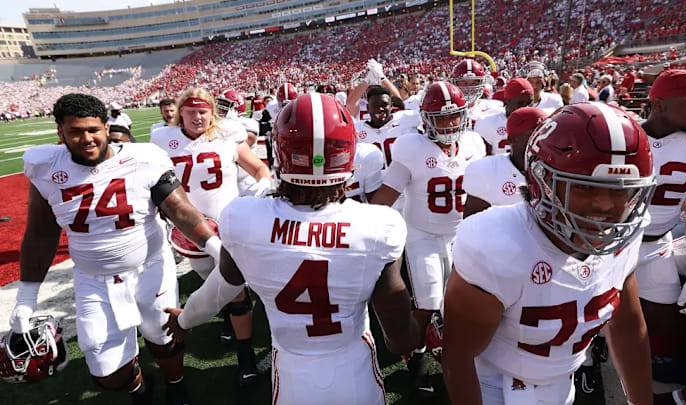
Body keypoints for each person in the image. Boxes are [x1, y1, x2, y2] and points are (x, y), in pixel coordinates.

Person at [162, 93, 419, 405]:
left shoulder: (245, 218)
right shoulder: (380, 223)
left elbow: (221, 288)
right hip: (354, 365)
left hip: (293, 368)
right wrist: (414, 337)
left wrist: (185, 319)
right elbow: (398, 336)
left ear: (280, 153)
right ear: (348, 156)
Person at [11, 93, 221, 405]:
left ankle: (176, 384)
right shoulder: (44, 167)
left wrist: (215, 247)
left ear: (106, 127)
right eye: (75, 132)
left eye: (93, 130)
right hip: (93, 279)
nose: (86, 139)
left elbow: (179, 209)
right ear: (60, 133)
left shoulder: (144, 158)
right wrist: (27, 297)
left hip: (150, 267)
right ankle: (138, 387)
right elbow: (41, 234)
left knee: (163, 337)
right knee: (106, 371)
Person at [444, 102, 657, 405]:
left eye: (620, 189)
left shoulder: (626, 235)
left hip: (561, 384)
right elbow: (459, 355)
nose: (606, 206)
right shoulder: (495, 244)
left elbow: (625, 325)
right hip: (495, 384)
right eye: (585, 188)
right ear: (542, 183)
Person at [151, 88, 272, 387]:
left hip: (228, 226)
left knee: (237, 289)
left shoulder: (227, 135)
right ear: (180, 111)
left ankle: (244, 355)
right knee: (216, 287)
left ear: (212, 111)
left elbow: (258, 167)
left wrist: (263, 182)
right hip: (189, 233)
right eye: (191, 110)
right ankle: (232, 321)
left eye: (203, 110)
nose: (197, 116)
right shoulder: (162, 140)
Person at [371, 81, 486, 396]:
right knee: (429, 301)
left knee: (463, 303)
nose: (449, 124)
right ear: (425, 118)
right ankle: (416, 363)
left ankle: (463, 358)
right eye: (441, 117)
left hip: (462, 234)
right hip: (423, 234)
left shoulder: (475, 143)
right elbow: (385, 195)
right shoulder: (411, 147)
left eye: (454, 116)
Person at [634, 70, 686, 399]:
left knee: (667, 321)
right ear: (658, 104)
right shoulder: (622, 133)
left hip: (657, 243)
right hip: (605, 246)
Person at [464, 107, 547, 218]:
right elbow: (472, 227)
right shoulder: (487, 172)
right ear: (512, 139)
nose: (542, 141)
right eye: (533, 135)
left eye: (545, 134)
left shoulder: (557, 168)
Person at [473, 78, 534, 155]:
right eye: (520, 104)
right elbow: (483, 159)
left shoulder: (539, 121)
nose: (526, 108)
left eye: (530, 103)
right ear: (506, 102)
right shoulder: (488, 123)